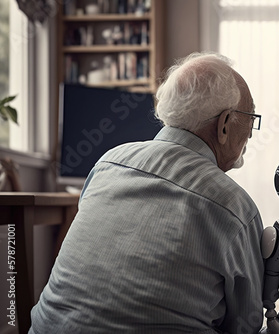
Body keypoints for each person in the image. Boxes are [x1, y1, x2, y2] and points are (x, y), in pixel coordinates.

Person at [30, 52, 265, 334]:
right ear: (225, 124)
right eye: (249, 118)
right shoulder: (235, 207)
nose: (251, 132)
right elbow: (245, 325)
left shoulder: (107, 163)